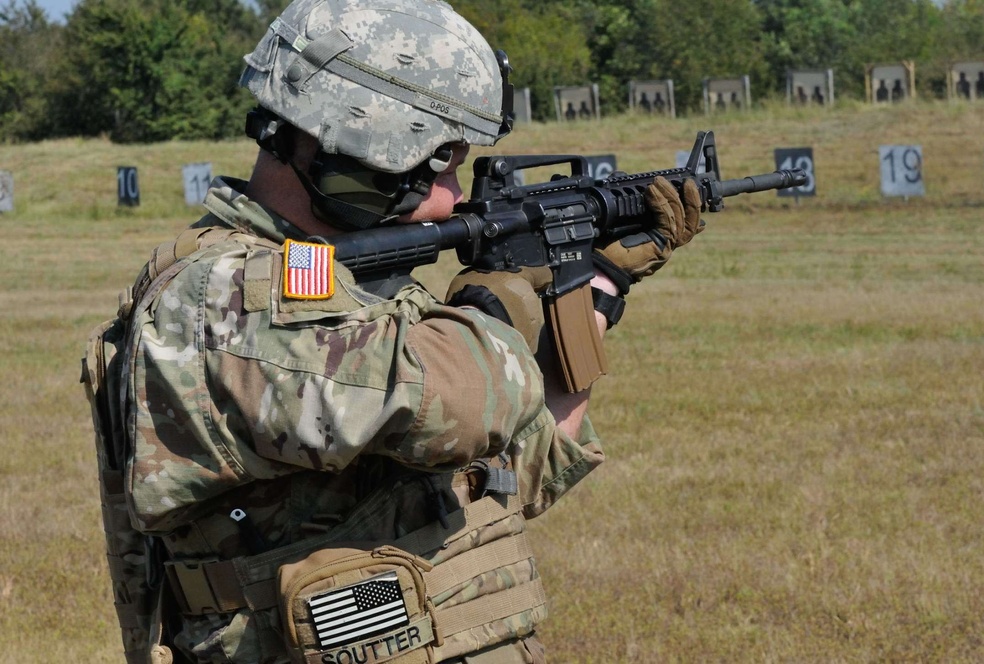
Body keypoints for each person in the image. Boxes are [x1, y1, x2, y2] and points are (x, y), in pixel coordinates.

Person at [87, 0, 703, 662]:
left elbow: (507, 482)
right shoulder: (219, 298)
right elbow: (463, 402)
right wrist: (498, 309)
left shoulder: (346, 294)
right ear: (359, 145)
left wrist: (593, 288)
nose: (451, 198)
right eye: (438, 165)